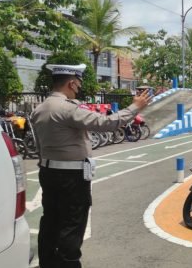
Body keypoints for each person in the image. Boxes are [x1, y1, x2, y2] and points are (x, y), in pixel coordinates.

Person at [31, 64, 151, 268]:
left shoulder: (39, 109)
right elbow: (107, 123)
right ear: (71, 82)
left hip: (48, 172)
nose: (78, 87)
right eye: (78, 84)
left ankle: (48, 263)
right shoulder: (66, 109)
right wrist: (135, 107)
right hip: (70, 177)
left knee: (50, 221)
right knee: (72, 224)